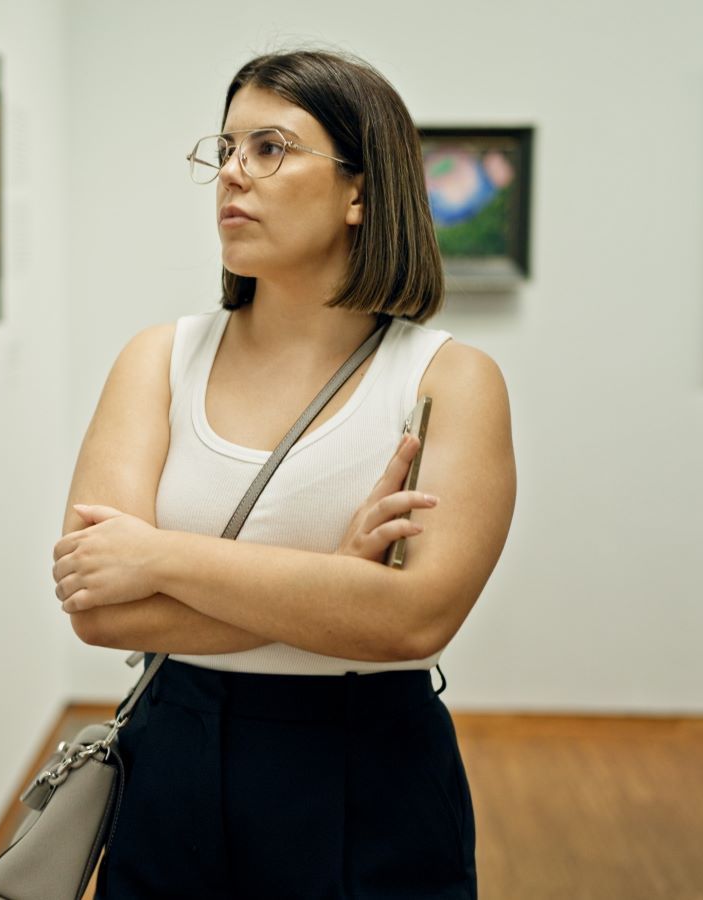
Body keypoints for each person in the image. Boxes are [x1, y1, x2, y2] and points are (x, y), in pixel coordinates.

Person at [51, 48, 516, 899]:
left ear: (360, 191)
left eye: (270, 148)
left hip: (368, 766)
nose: (233, 173)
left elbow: (414, 623)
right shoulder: (158, 359)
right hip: (175, 751)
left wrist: (159, 558)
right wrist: (336, 587)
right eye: (223, 150)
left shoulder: (450, 380)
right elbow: (99, 607)